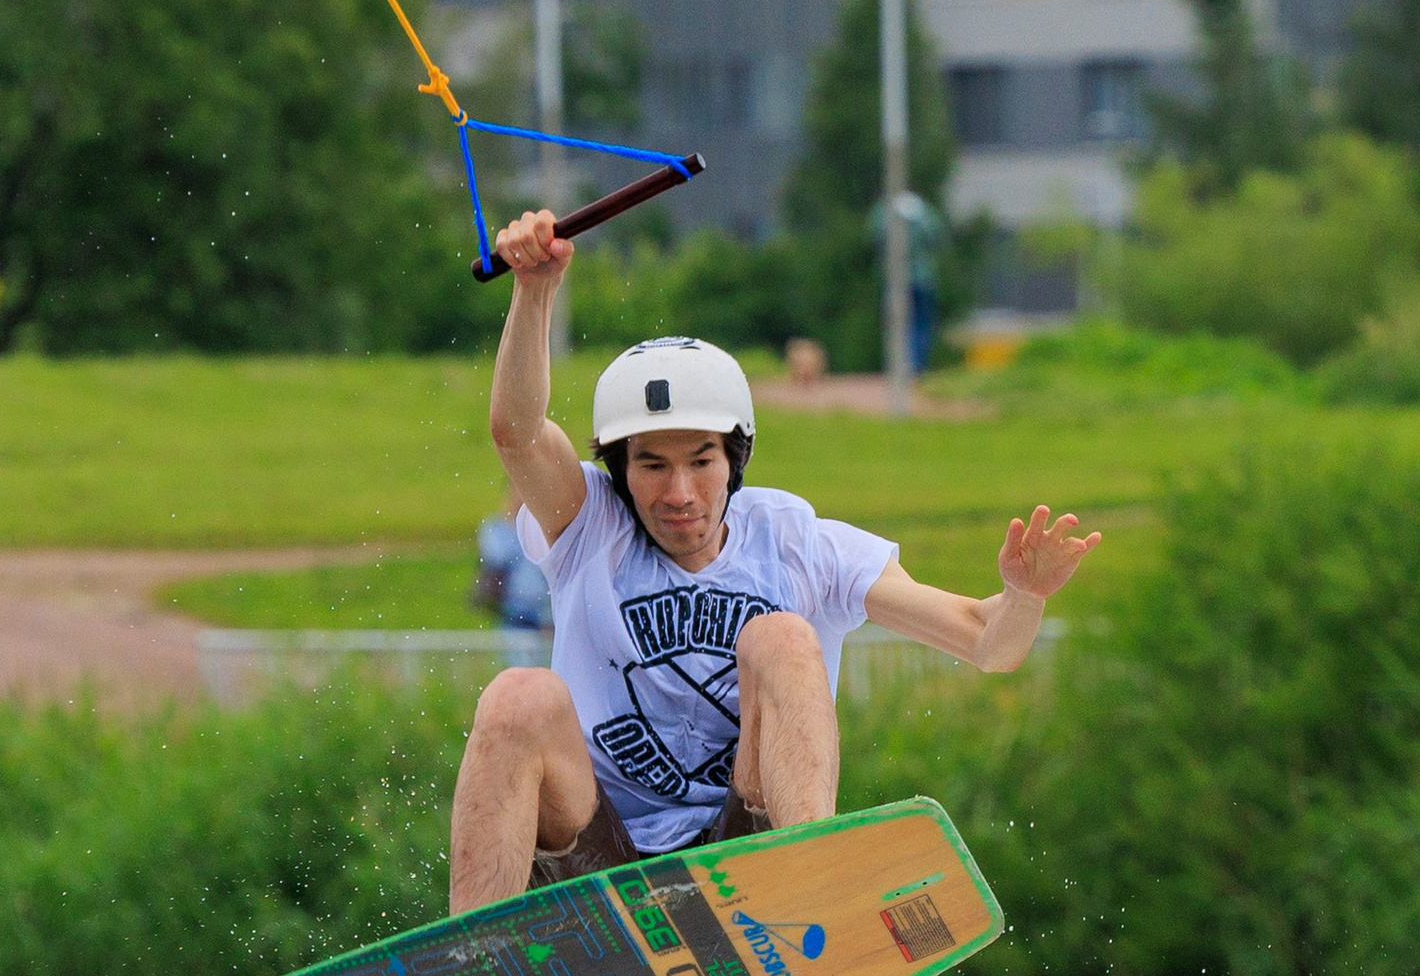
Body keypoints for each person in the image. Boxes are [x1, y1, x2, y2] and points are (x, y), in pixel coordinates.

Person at [449, 207, 1101, 912]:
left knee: (783, 637)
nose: (679, 494)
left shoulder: (800, 543)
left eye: (701, 462)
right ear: (617, 471)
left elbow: (987, 642)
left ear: (735, 460)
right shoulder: (587, 522)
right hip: (597, 845)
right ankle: (474, 962)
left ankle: (809, 885)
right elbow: (515, 432)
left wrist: (1025, 595)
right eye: (652, 467)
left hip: (745, 852)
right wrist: (535, 289)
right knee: (518, 696)